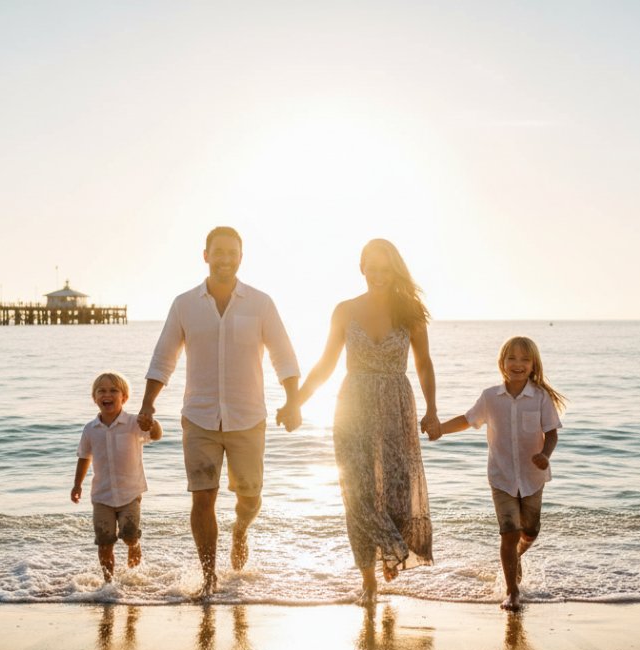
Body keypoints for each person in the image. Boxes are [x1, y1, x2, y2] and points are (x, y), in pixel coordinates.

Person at [138, 226, 300, 596]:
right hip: (199, 417)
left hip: (248, 418)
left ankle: (240, 530)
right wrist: (148, 402)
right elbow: (164, 356)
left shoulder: (260, 303)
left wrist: (292, 401)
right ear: (206, 255)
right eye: (219, 251)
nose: (225, 258)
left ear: (240, 258)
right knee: (202, 497)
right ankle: (209, 577)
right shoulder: (184, 304)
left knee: (250, 496)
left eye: (232, 253)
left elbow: (283, 353)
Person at [278, 239, 439, 605]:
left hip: (398, 406)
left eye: (386, 269)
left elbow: (424, 363)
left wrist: (431, 409)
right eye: (373, 267)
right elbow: (325, 364)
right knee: (358, 494)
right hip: (353, 407)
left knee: (397, 491)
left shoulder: (409, 311)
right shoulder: (345, 310)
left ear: (394, 270)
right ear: (361, 267)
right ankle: (370, 579)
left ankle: (389, 551)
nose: (379, 275)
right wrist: (295, 403)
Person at [435, 336, 565, 610]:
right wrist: (440, 429)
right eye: (512, 358)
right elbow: (467, 420)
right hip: (501, 477)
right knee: (508, 532)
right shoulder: (490, 397)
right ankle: (512, 591)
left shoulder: (540, 398)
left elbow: (551, 433)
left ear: (533, 365)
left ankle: (517, 555)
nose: (517, 364)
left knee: (530, 531)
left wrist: (545, 455)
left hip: (532, 477)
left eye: (524, 359)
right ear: (502, 362)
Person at [71, 372, 162, 582]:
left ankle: (134, 559)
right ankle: (109, 584)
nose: (107, 394)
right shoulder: (90, 429)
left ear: (124, 398)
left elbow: (156, 435)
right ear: (95, 398)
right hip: (102, 495)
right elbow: (84, 457)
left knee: (130, 535)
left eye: (113, 390)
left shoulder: (133, 423)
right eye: (101, 391)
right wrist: (77, 485)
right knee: (104, 541)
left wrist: (152, 422)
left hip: (130, 493)